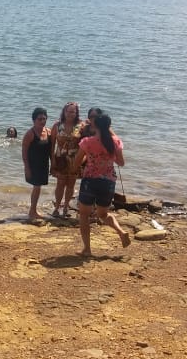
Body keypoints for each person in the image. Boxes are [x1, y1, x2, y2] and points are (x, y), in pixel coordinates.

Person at [73, 113, 131, 256]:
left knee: (84, 215)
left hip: (90, 180)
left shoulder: (87, 142)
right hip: (108, 182)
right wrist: (108, 157)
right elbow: (121, 163)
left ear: (94, 125)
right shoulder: (115, 141)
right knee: (103, 214)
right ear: (109, 126)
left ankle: (87, 249)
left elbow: (76, 162)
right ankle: (121, 232)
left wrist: (85, 162)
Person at [49, 102, 82, 218]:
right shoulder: (57, 125)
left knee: (71, 184)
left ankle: (66, 207)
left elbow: (84, 144)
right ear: (64, 112)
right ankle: (57, 207)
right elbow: (52, 145)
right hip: (60, 158)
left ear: (76, 113)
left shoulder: (80, 126)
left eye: (73, 112)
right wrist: (52, 160)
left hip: (74, 159)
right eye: (68, 111)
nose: (70, 114)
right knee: (60, 184)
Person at [21, 107, 51, 222]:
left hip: (44, 164)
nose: (42, 121)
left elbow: (51, 151)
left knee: (38, 187)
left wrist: (53, 164)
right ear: (34, 120)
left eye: (44, 119)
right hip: (33, 165)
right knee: (37, 187)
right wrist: (27, 168)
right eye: (39, 119)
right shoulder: (30, 134)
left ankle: (33, 210)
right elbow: (24, 152)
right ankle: (32, 211)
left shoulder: (48, 132)